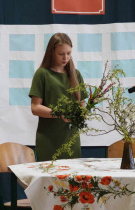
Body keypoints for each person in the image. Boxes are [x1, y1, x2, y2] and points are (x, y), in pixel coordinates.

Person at [29, 33, 88, 161]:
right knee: (49, 179)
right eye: (61, 54)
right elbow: (35, 108)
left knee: (73, 179)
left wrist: (81, 114)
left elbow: (82, 106)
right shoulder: (42, 74)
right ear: (51, 52)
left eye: (69, 53)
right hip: (49, 140)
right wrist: (60, 113)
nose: (65, 57)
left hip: (71, 139)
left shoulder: (76, 75)